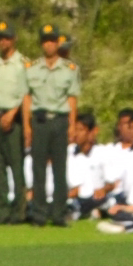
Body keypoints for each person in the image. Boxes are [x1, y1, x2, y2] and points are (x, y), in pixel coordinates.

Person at [22, 30, 81, 222]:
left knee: (59, 168)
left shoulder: (70, 69)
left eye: (52, 41)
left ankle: (59, 213)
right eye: (45, 41)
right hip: (39, 121)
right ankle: (39, 213)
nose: (48, 45)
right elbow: (27, 98)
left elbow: (72, 99)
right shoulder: (31, 68)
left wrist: (72, 125)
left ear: (57, 44)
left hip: (60, 120)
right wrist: (27, 126)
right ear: (41, 44)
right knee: (38, 168)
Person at [0, 23, 30, 224]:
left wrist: (17, 118)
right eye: (0, 38)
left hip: (14, 119)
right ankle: (1, 212)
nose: (3, 42)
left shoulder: (23, 64)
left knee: (17, 167)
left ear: (14, 39)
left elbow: (26, 95)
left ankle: (18, 213)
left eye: (7, 38)